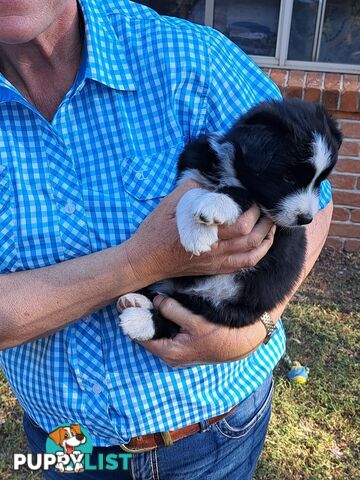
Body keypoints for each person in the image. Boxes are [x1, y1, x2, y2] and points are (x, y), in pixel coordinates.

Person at [0, 1, 333, 479]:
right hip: (67, 443)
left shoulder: (186, 56)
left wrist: (252, 327)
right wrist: (141, 262)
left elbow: (315, 199)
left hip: (212, 433)